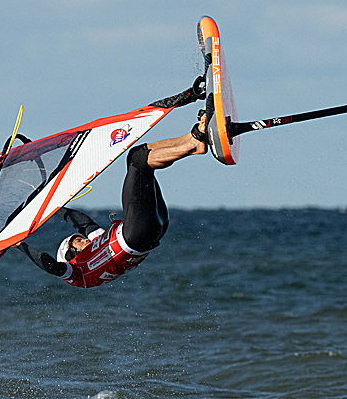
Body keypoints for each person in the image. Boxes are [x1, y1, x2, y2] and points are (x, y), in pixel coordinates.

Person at [16, 102, 208, 288]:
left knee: (139, 156)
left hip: (150, 231)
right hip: (135, 235)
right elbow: (51, 266)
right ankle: (195, 142)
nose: (83, 239)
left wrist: (49, 206)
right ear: (70, 255)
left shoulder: (97, 241)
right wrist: (19, 245)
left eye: (79, 238)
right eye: (77, 242)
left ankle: (194, 137)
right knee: (139, 162)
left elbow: (81, 222)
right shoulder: (76, 272)